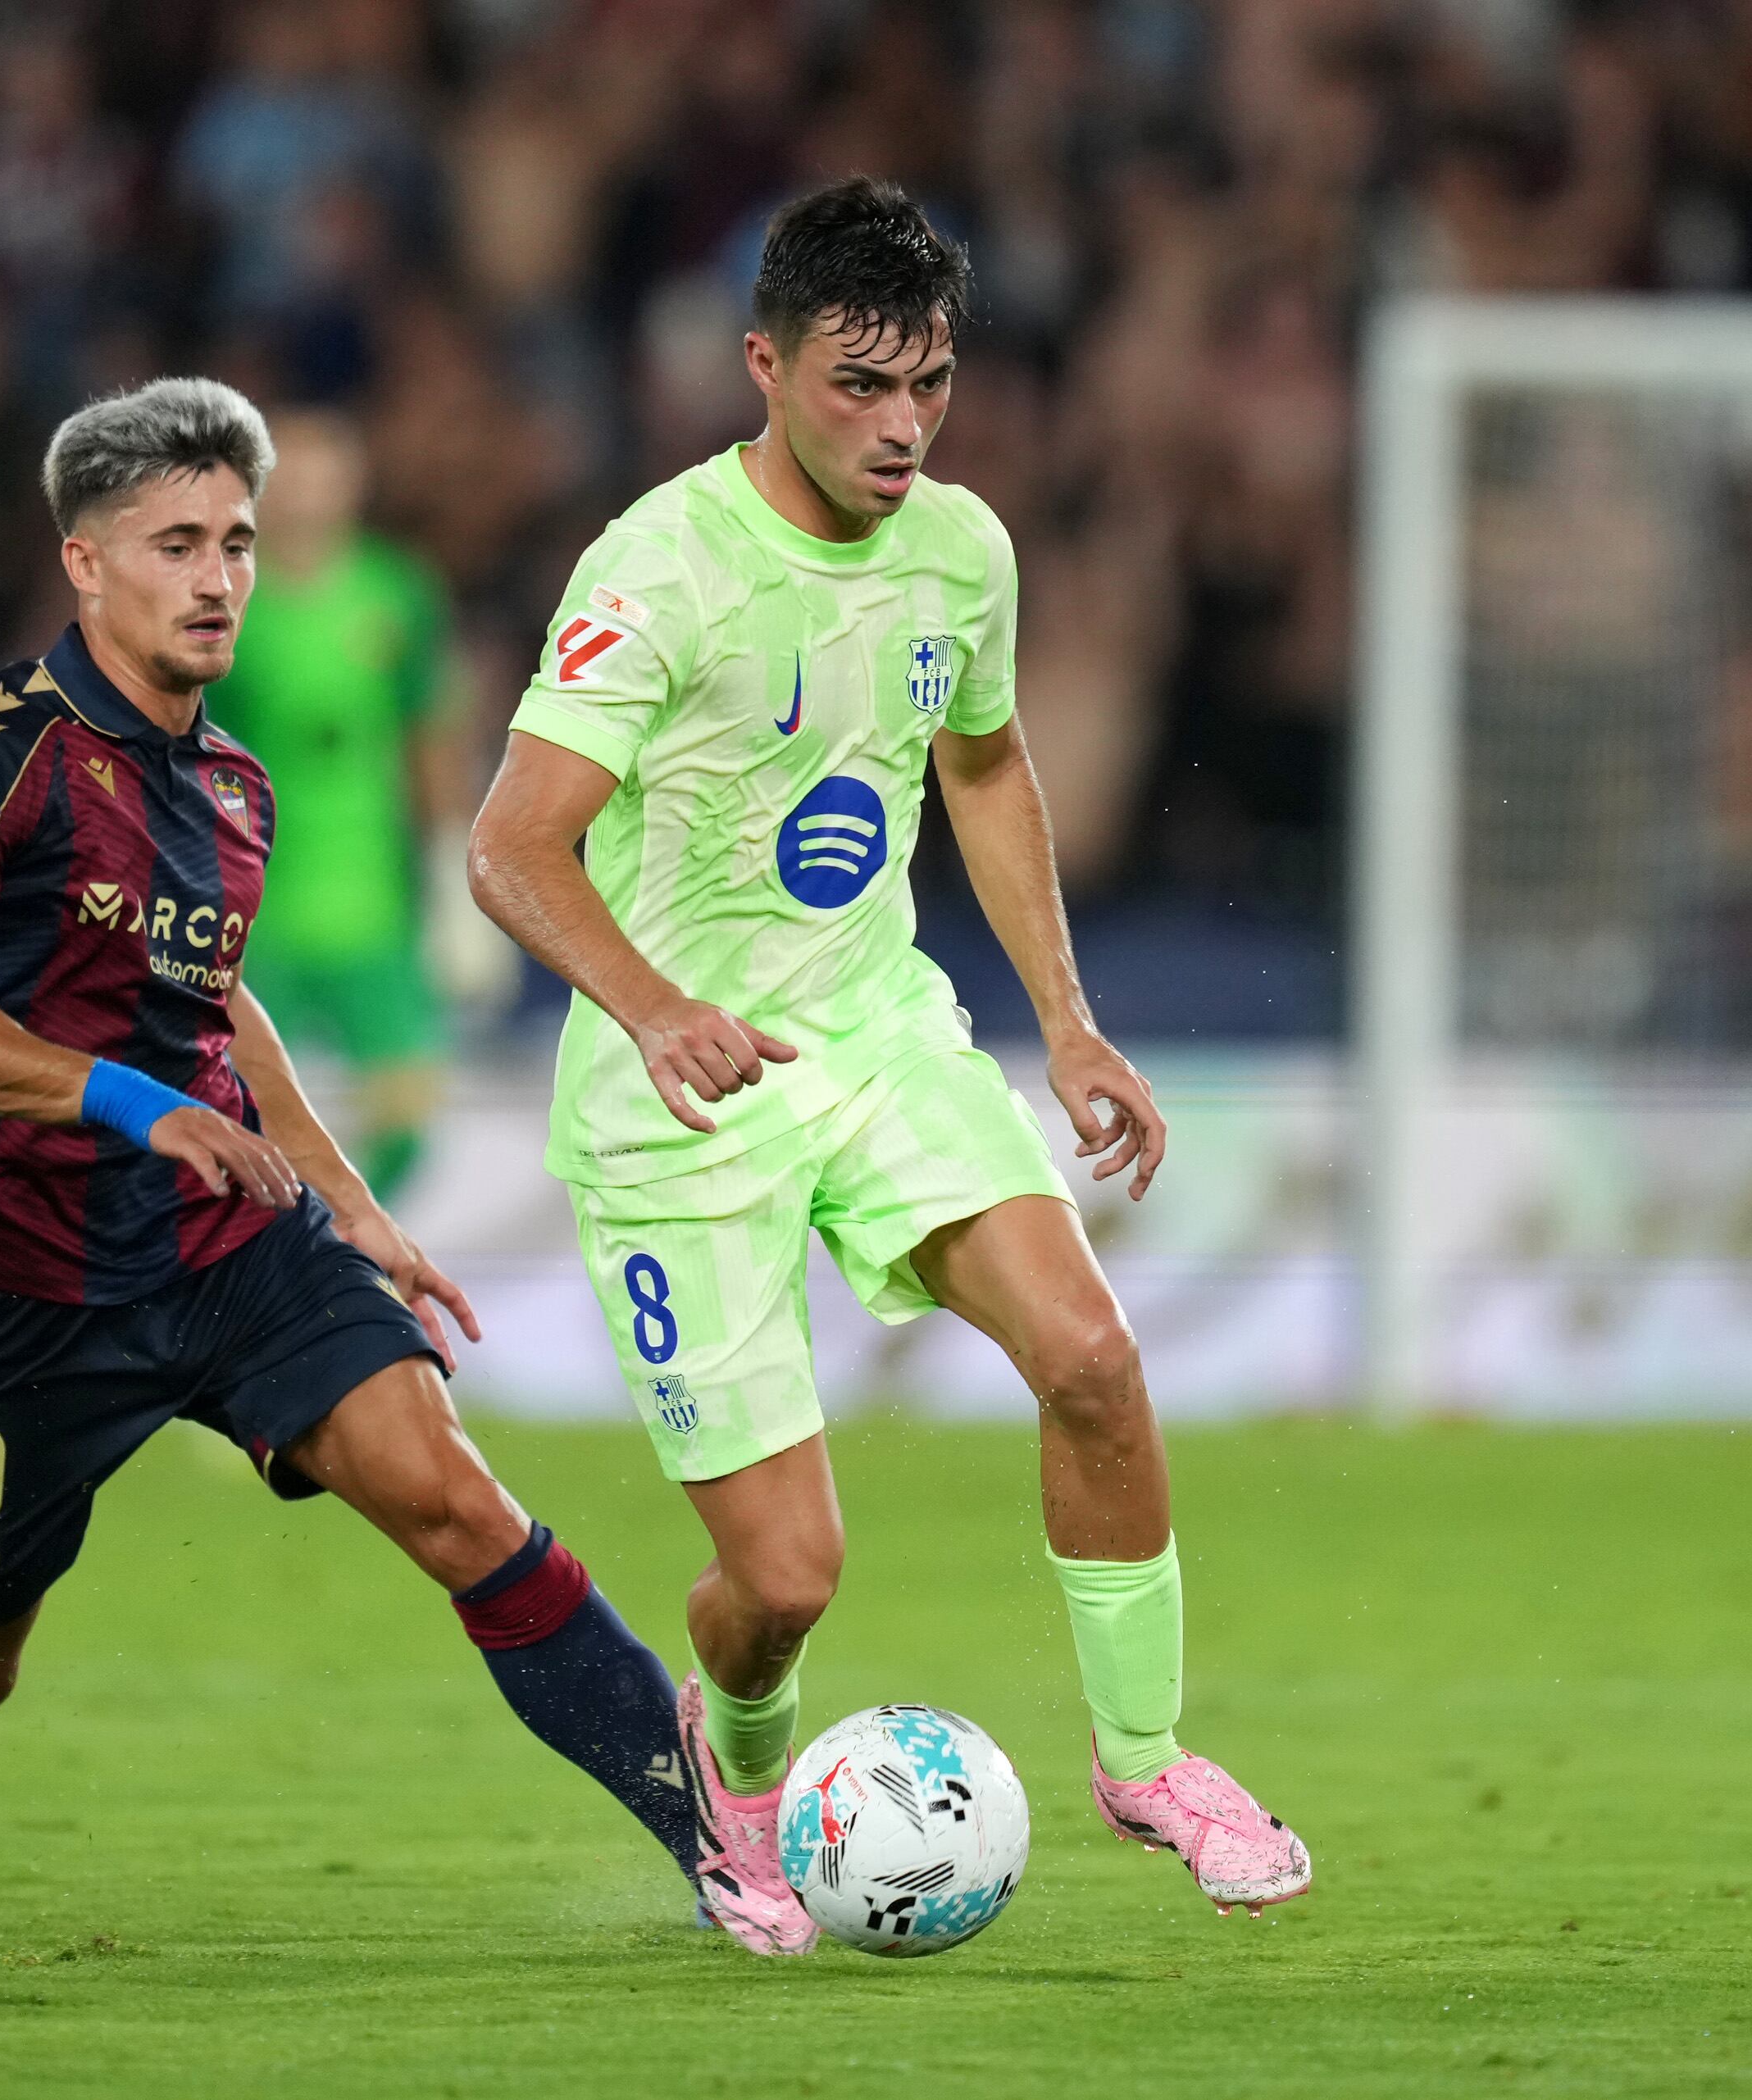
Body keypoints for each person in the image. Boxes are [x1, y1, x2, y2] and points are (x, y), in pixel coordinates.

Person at [0, 379, 702, 1912]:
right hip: (25, 1282)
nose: (223, 573)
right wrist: (129, 1102)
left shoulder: (232, 786)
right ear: (85, 564)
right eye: (177, 541)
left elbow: (212, 994)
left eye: (235, 538)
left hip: (231, 1249)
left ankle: (715, 1848)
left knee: (452, 1497)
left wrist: (346, 1197)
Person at [467, 178, 1314, 1953]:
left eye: (927, 384)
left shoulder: (963, 552)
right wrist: (654, 1007)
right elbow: (513, 849)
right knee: (782, 1584)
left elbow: (984, 767)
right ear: (764, 366)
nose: (902, 426)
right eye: (861, 386)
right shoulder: (658, 568)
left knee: (1090, 1354)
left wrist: (1068, 1020)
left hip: (876, 1032)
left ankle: (1148, 1763)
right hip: (677, 1102)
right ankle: (736, 1759)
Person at [200, 405, 464, 1198]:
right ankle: (262, 1273)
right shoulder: (225, 598)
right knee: (231, 1111)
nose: (311, 496)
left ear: (354, 486)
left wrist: (453, 868)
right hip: (257, 910)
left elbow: (430, 735)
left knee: (409, 1120)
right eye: (294, 479)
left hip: (373, 907)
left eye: (327, 477)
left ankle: (349, 1250)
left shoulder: (398, 594)